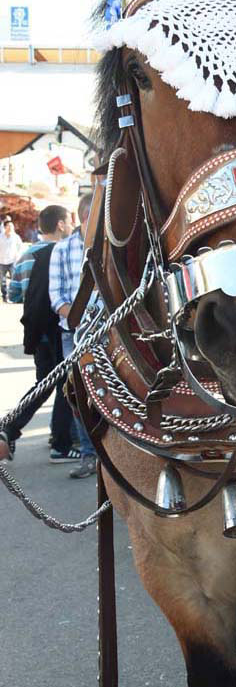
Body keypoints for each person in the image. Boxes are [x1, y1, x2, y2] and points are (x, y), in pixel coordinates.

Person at [0, 205, 77, 463]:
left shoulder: (24, 255)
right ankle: (59, 444)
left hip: (35, 332)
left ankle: (54, 437)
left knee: (47, 383)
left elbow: (15, 293)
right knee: (63, 383)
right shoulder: (62, 252)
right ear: (60, 225)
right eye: (68, 220)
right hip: (56, 330)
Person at [49, 194, 97, 479]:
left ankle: (114, 454)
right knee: (80, 394)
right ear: (82, 218)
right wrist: (79, 317)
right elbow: (56, 297)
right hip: (74, 334)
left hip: (109, 332)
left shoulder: (109, 246)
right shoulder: (62, 250)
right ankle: (90, 455)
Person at [0, 216, 23, 301]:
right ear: (5, 227)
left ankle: (13, 296)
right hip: (2, 261)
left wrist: (17, 256)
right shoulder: (1, 237)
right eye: (9, 226)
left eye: (12, 226)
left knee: (14, 280)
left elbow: (20, 247)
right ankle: (4, 296)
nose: (11, 228)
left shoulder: (15, 237)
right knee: (2, 281)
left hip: (12, 261)